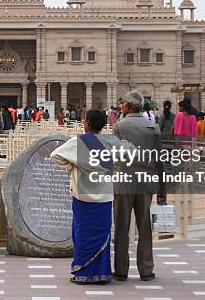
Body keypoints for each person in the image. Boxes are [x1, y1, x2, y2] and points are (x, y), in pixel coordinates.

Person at [51, 109, 132, 284]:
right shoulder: (111, 142)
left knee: (82, 235)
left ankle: (84, 273)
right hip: (104, 197)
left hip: (83, 196)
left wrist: (73, 166)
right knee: (102, 235)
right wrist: (114, 167)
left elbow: (55, 155)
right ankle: (102, 273)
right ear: (103, 125)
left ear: (86, 122)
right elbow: (129, 151)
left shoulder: (78, 143)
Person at [112, 91, 164, 282]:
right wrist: (162, 187)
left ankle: (120, 270)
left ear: (127, 106)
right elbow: (160, 159)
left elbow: (116, 155)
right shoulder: (153, 126)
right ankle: (146, 270)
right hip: (146, 181)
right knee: (144, 227)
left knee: (121, 227)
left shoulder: (119, 126)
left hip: (123, 181)